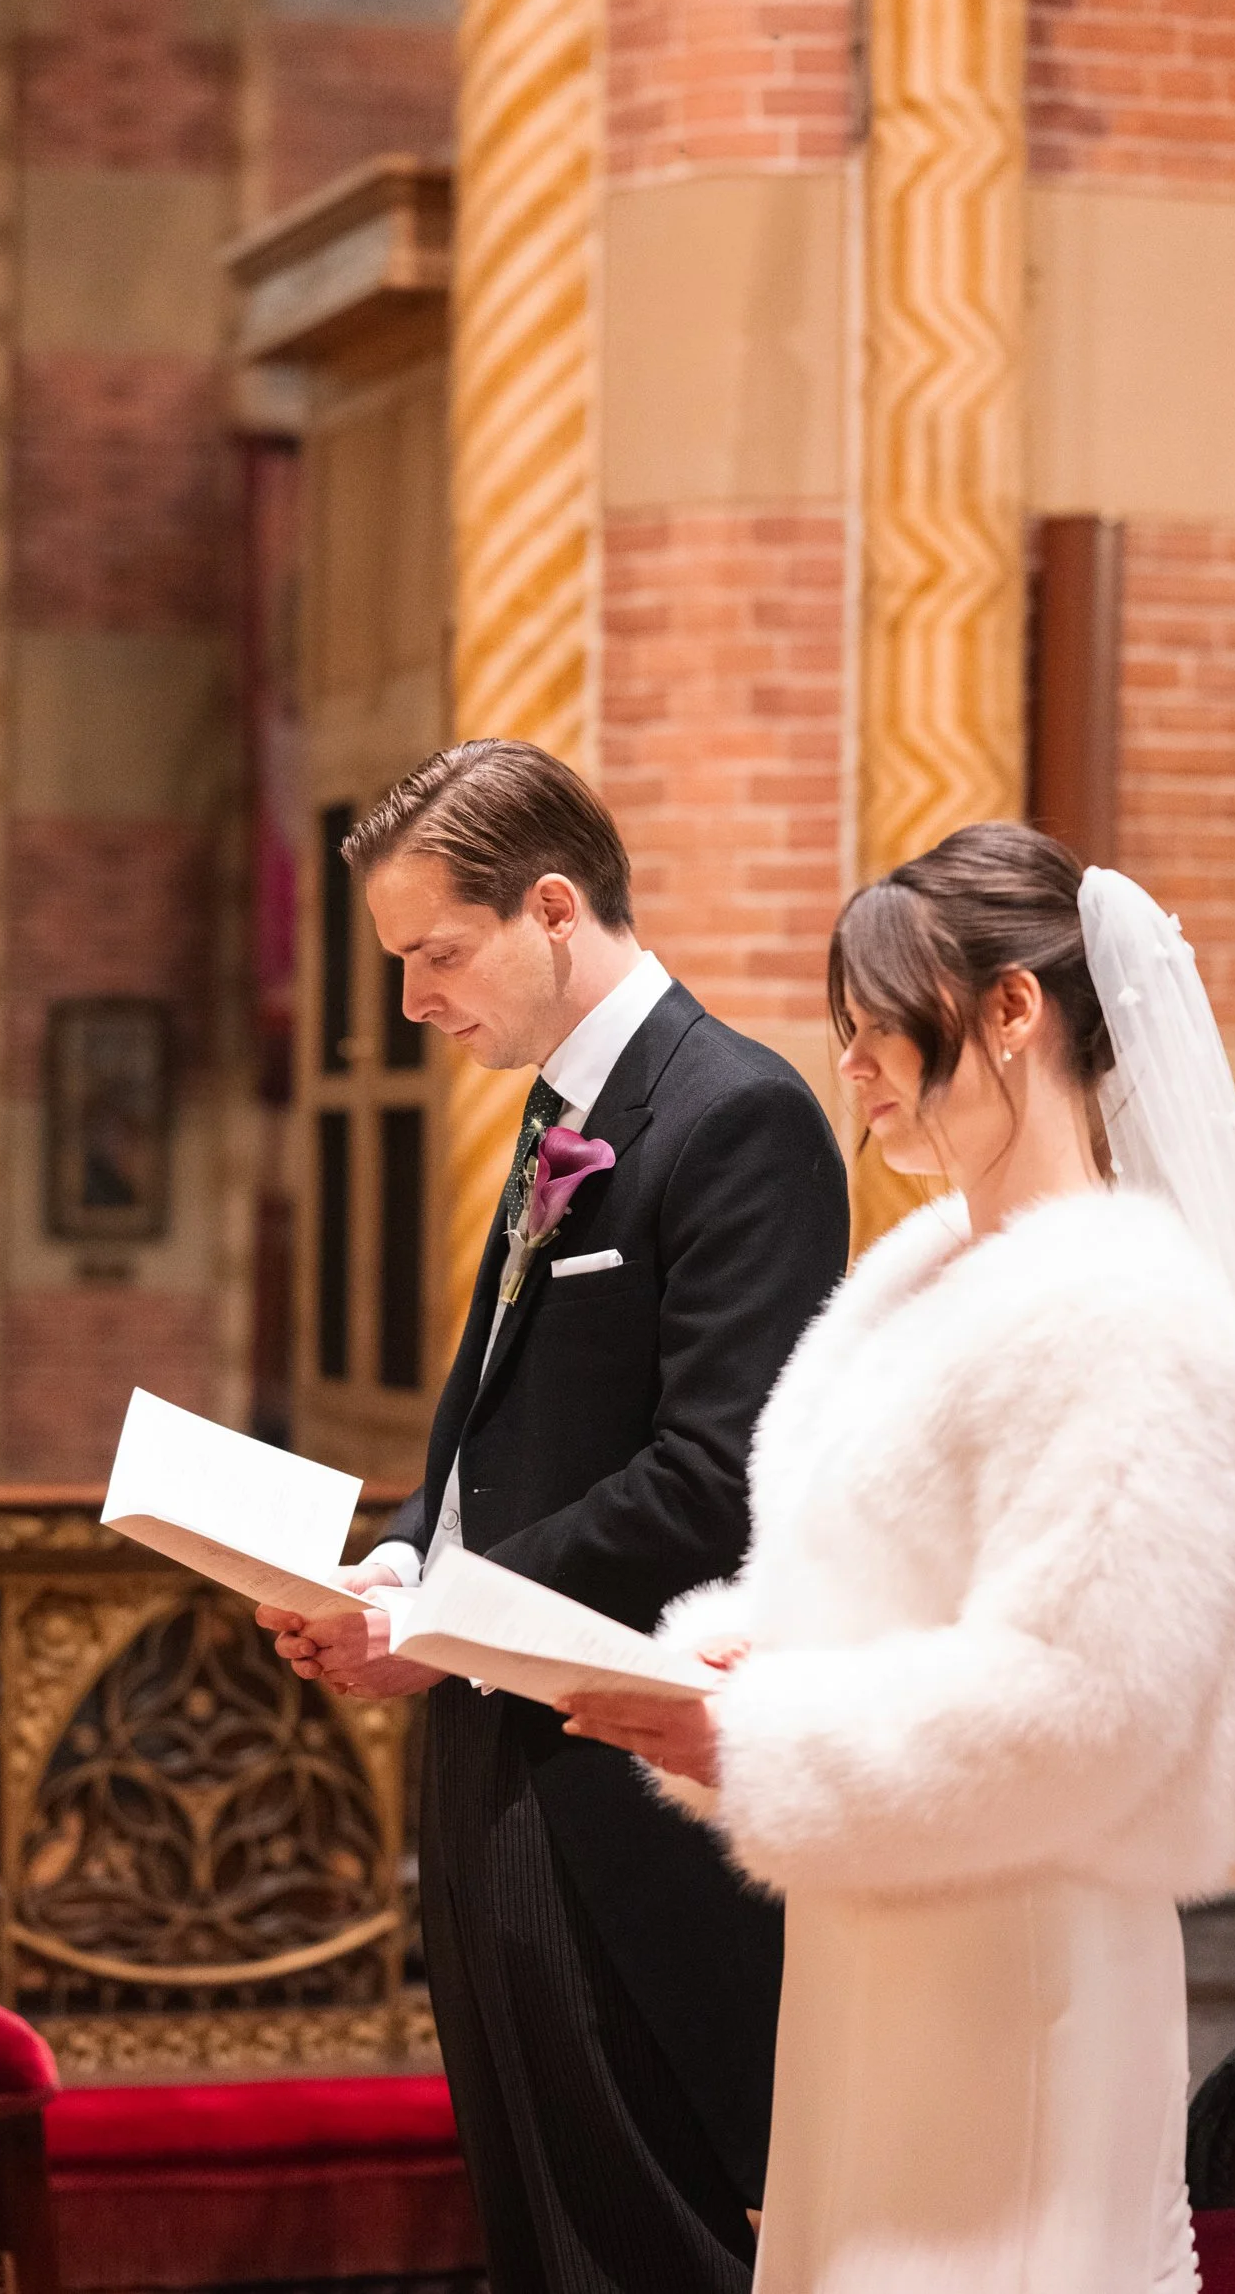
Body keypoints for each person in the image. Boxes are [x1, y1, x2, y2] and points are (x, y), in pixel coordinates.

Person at [563, 822, 1235, 2294]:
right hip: (876, 1929)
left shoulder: (1117, 1308)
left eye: (878, 1024)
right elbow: (868, 1575)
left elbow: (1088, 1701)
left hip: (1017, 1954)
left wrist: (758, 1733)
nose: (850, 1065)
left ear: (1011, 1010)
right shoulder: (913, 1279)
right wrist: (738, 1652)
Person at [258, 740, 850, 2294]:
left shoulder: (733, 1114)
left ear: (551, 909)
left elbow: (713, 1470)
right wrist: (395, 1555)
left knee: (634, 2219)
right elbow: (488, 1421)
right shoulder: (552, 1115)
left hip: (618, 1762)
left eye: (435, 956)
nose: (412, 1002)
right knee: (530, 2205)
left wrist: (437, 1619)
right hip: (493, 1729)